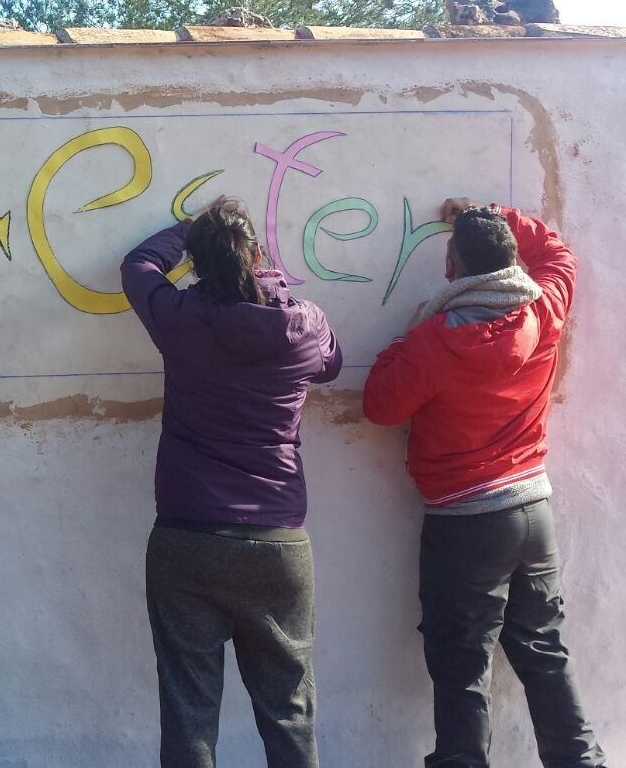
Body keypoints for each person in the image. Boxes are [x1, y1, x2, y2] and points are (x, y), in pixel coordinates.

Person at [362, 199, 606, 768]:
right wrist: (494, 211)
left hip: (466, 522)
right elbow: (558, 255)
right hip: (533, 510)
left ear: (452, 265)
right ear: (510, 260)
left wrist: (402, 342)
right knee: (544, 651)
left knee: (461, 664)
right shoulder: (543, 310)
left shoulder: (434, 341)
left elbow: (379, 406)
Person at [120, 198, 342, 768]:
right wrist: (278, 293)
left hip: (186, 537)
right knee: (289, 714)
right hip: (277, 544)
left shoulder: (180, 319)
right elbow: (332, 363)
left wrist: (185, 229)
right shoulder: (302, 323)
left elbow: (138, 265)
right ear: (259, 253)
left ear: (196, 262)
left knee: (190, 713)